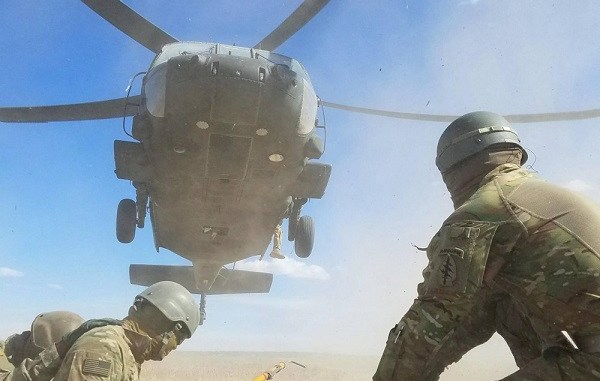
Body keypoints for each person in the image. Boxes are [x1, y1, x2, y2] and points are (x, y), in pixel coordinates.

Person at [373, 111, 600, 380]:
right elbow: (475, 315)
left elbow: (427, 324)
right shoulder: (533, 195)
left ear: (452, 168)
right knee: (498, 301)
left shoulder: (485, 209)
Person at [6, 280, 200, 381]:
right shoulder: (104, 348)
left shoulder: (127, 351)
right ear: (171, 327)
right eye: (179, 339)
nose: (175, 347)